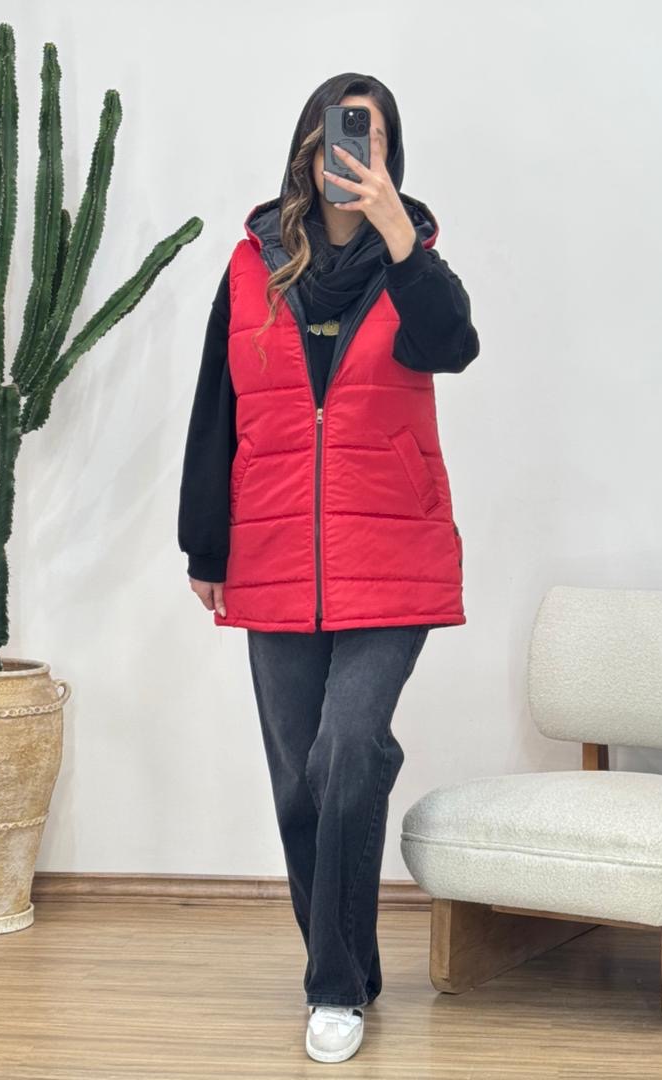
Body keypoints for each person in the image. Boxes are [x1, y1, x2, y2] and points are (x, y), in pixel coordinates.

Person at [177, 72, 480, 1064]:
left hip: (392, 552)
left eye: (370, 138)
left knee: (347, 747)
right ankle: (349, 959)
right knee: (300, 786)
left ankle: (334, 990)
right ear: (307, 152)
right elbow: (216, 408)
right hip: (272, 552)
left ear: (390, 156)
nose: (348, 154)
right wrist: (206, 543)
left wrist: (398, 232)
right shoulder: (252, 265)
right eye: (336, 137)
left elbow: (454, 346)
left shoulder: (414, 263)